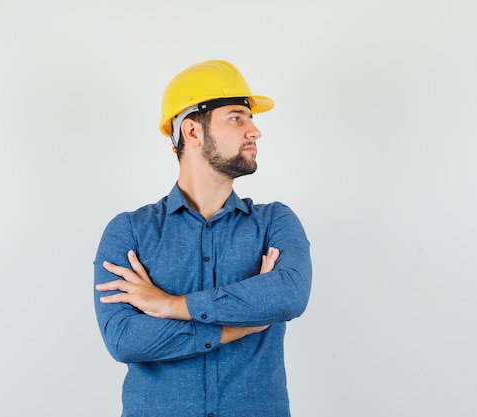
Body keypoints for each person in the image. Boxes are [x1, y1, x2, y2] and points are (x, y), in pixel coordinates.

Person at [93, 60, 313, 417]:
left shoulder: (275, 221)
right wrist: (235, 325)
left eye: (251, 119)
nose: (254, 131)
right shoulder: (129, 231)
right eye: (237, 117)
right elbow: (124, 340)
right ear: (193, 132)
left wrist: (169, 305)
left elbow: (289, 294)